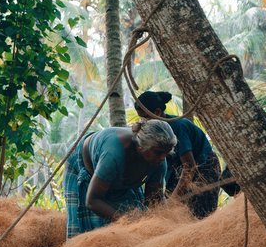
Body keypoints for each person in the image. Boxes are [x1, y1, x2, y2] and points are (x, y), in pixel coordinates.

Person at [64, 120, 176, 239]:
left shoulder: (158, 161)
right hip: (82, 167)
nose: (162, 158)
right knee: (89, 232)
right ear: (141, 146)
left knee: (135, 221)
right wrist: (127, 220)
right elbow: (92, 201)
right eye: (158, 153)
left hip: (118, 177)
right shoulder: (113, 154)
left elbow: (154, 201)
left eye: (166, 153)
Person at [134, 90, 223, 218]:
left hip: (202, 170)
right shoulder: (155, 131)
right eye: (140, 118)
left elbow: (189, 167)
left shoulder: (178, 127)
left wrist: (173, 198)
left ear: (158, 112)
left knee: (198, 215)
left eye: (145, 117)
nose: (143, 121)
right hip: (178, 171)